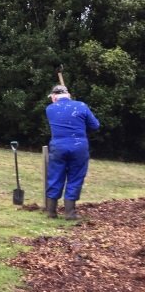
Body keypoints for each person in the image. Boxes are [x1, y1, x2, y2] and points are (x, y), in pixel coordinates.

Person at [45, 84, 100, 220]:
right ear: (68, 95)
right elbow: (95, 125)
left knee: (55, 176)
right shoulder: (81, 106)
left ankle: (51, 211)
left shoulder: (50, 109)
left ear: (54, 97)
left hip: (58, 146)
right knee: (75, 177)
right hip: (79, 146)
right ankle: (70, 213)